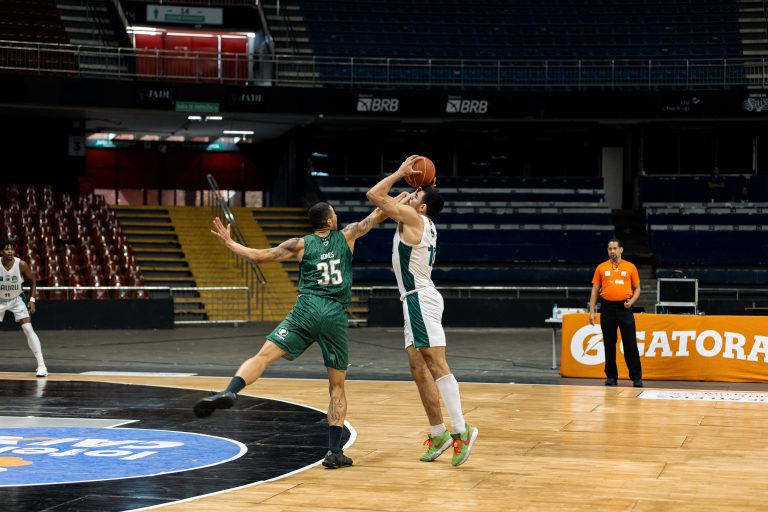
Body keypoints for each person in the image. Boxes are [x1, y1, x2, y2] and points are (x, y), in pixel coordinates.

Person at [193, 203, 387, 469]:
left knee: (263, 356)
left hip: (306, 309)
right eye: (334, 214)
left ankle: (230, 392)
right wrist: (407, 197)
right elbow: (378, 213)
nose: (337, 217)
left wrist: (230, 242)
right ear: (329, 221)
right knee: (337, 387)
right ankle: (334, 452)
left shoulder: (300, 244)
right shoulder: (347, 235)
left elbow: (259, 257)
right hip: (334, 314)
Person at [366, 155, 479, 467]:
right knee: (418, 367)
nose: (410, 194)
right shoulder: (414, 219)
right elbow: (384, 207)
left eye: (416, 195)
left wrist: (400, 173)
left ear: (423, 207)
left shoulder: (415, 219)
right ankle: (439, 432)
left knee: (436, 363)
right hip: (413, 299)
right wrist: (419, 187)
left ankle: (461, 430)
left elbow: (374, 195)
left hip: (420, 298)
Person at [588, 237, 642, 388]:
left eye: (615, 248)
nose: (612, 251)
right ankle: (611, 376)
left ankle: (636, 377)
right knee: (609, 343)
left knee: (630, 343)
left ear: (621, 250)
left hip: (625, 308)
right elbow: (595, 290)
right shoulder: (601, 267)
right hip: (607, 308)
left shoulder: (630, 267)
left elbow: (637, 288)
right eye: (609, 249)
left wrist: (632, 301)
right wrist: (592, 311)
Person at [0, 239, 47, 377]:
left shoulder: (21, 264)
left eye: (12, 249)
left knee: (28, 329)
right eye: (7, 249)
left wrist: (32, 300)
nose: (10, 251)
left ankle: (42, 366)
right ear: (1, 251)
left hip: (17, 299)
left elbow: (32, 280)